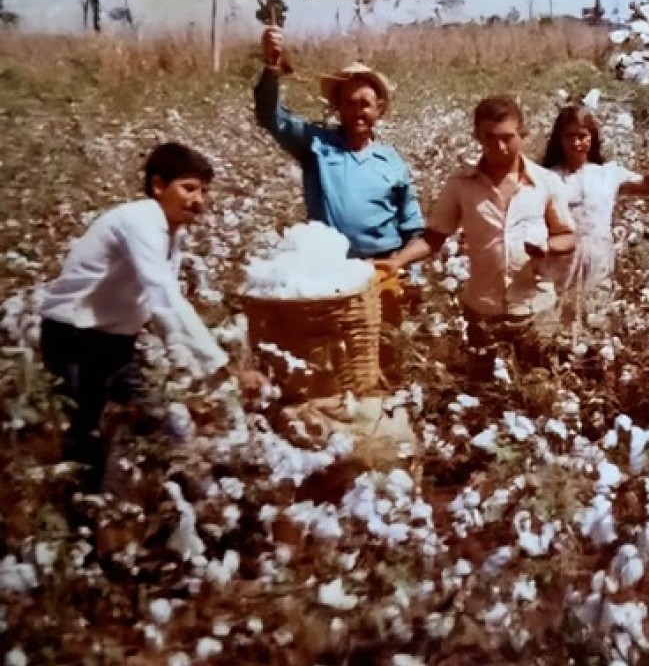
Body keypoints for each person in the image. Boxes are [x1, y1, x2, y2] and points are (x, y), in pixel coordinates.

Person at [38, 142, 229, 493]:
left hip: (116, 341)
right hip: (75, 337)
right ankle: (79, 518)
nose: (199, 200)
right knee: (84, 434)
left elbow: (159, 301)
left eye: (204, 191)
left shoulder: (173, 232)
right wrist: (216, 361)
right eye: (188, 188)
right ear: (158, 185)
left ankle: (156, 500)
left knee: (158, 418)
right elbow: (162, 294)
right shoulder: (140, 220)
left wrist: (184, 357)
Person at [392, 96, 577, 369]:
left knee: (538, 390)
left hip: (535, 309)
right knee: (485, 393)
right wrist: (397, 261)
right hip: (482, 311)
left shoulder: (545, 183)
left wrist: (547, 247)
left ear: (523, 134)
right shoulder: (460, 184)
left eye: (508, 137)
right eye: (489, 138)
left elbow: (568, 235)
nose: (499, 147)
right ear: (477, 136)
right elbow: (434, 237)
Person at [253, 25, 424, 269]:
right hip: (334, 267)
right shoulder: (315, 144)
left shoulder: (391, 161)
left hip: (385, 266)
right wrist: (271, 68)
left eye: (364, 105)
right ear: (337, 108)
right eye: (348, 104)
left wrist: (410, 271)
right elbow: (270, 117)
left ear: (380, 108)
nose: (357, 112)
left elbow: (411, 224)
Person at [540, 104, 649, 329]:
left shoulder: (607, 173)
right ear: (559, 139)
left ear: (592, 138)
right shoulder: (547, 177)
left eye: (582, 136)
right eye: (569, 136)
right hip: (560, 262)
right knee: (556, 322)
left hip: (599, 260)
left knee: (595, 321)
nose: (575, 143)